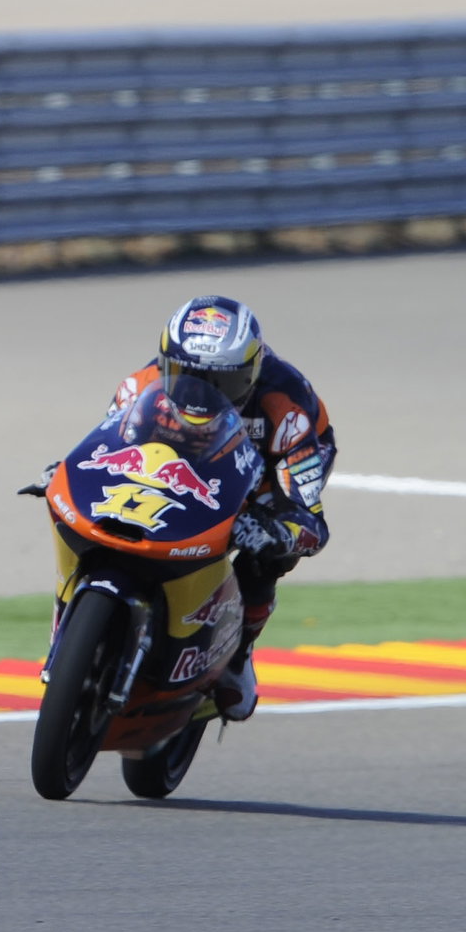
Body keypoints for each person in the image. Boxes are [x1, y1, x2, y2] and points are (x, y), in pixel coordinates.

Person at [105, 294, 335, 722]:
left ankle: (237, 657)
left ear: (252, 371)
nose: (200, 396)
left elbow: (310, 523)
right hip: (189, 458)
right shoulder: (141, 385)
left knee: (267, 556)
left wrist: (278, 532)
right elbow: (105, 448)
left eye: (221, 383)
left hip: (267, 472)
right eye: (187, 377)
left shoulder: (288, 407)